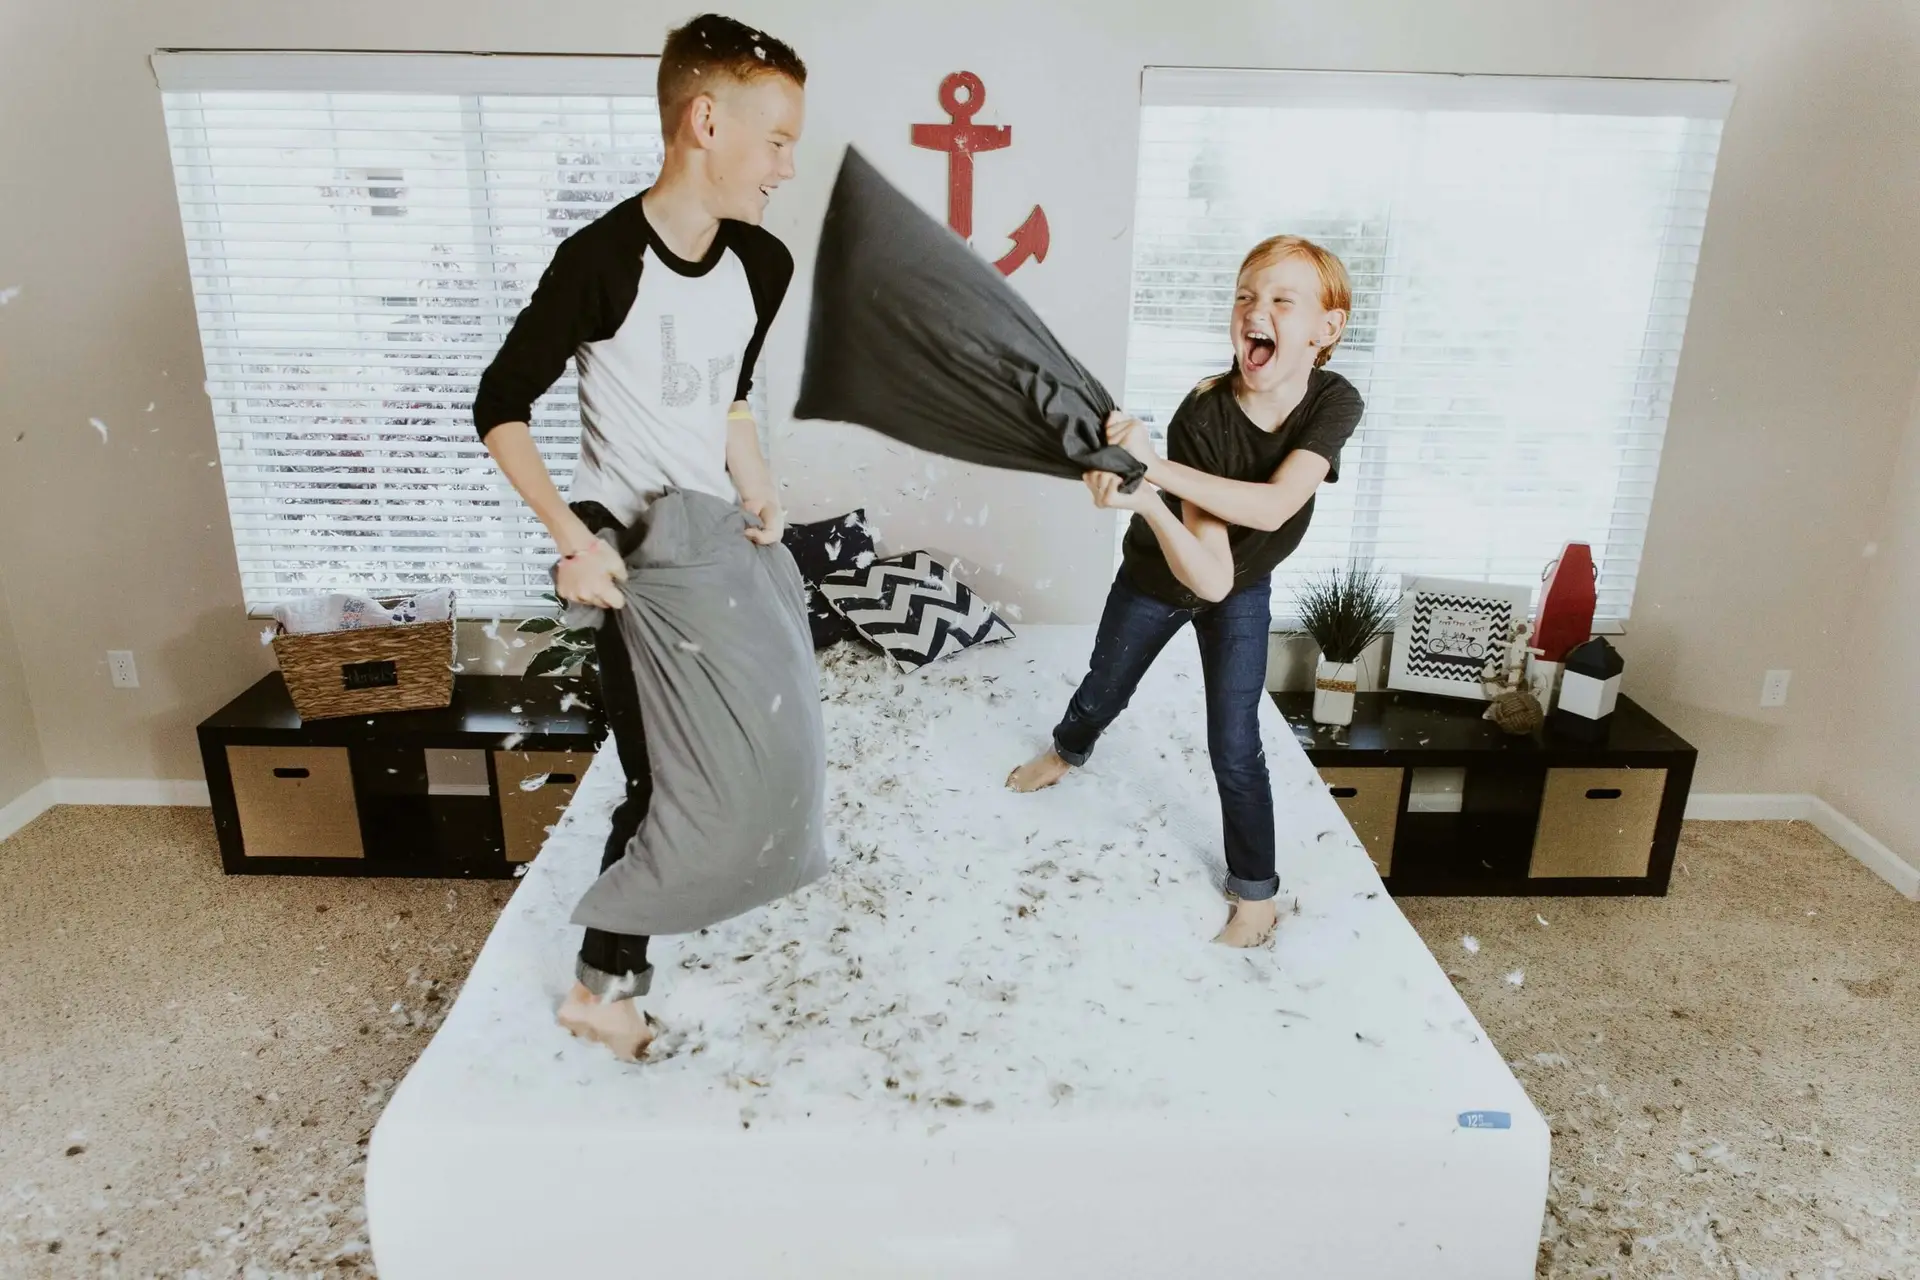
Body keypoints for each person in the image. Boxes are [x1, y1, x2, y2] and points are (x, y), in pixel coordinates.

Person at [472, 13, 807, 1060]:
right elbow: (500, 403)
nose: (787, 167)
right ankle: (601, 987)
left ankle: (638, 944)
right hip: (637, 562)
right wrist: (572, 538)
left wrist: (757, 487)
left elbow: (733, 398)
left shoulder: (764, 263)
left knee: (771, 755)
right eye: (779, 140)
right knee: (666, 782)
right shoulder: (602, 260)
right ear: (706, 120)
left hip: (723, 544)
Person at [1008, 235, 1364, 948]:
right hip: (1163, 572)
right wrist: (1144, 498)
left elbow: (1268, 511)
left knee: (1235, 742)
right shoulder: (1202, 413)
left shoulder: (1334, 401)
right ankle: (1067, 750)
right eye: (1244, 296)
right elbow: (1205, 569)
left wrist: (1153, 470)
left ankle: (1256, 893)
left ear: (1326, 330)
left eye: (1280, 300)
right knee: (1104, 689)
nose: (1254, 311)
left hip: (1242, 583)